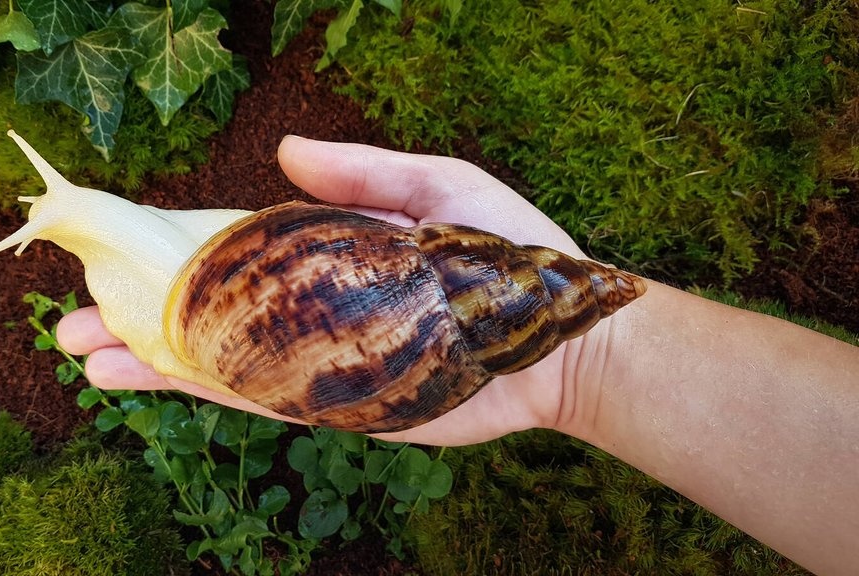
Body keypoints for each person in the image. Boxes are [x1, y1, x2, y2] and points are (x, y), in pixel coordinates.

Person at [56, 136, 859, 575]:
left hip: (400, 311)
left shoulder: (452, 310)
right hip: (366, 311)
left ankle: (86, 224)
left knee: (143, 319)